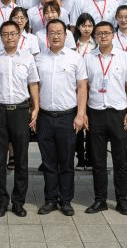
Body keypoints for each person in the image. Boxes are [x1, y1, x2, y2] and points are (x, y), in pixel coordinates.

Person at [0, 20, 41, 218]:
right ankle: (1, 201)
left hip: (20, 110)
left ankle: (18, 202)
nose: (9, 37)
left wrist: (36, 107)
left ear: (19, 36)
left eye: (13, 34)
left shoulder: (27, 57)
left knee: (21, 160)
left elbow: (33, 84)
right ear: (0, 37)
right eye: (5, 34)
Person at [35, 19, 88, 216]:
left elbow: (82, 87)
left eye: (59, 32)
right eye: (52, 33)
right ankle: (50, 199)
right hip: (45, 117)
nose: (56, 36)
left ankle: (66, 201)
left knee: (66, 162)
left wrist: (80, 114)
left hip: (67, 116)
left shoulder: (75, 58)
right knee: (48, 162)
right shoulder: (39, 59)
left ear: (66, 36)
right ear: (46, 36)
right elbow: (34, 87)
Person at [83, 21, 127, 215]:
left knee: (120, 160)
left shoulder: (124, 57)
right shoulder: (88, 58)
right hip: (95, 112)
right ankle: (100, 200)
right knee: (98, 160)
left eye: (106, 33)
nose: (103, 36)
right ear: (95, 36)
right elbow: (84, 87)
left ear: (114, 35)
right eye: (99, 33)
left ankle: (122, 200)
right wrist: (83, 113)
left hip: (118, 112)